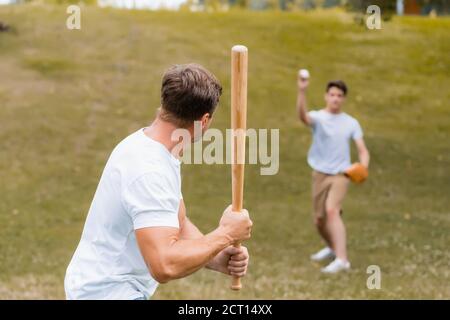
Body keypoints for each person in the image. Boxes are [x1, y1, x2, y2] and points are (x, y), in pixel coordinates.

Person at [65, 64, 252, 299]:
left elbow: (176, 221)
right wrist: (224, 233)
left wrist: (214, 255)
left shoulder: (150, 147)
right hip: (108, 293)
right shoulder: (149, 171)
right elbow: (164, 265)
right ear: (204, 121)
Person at [296, 75, 370, 273]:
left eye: (339, 95)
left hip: (341, 174)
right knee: (319, 220)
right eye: (332, 94)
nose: (335, 98)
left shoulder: (351, 123)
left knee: (332, 211)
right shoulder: (319, 118)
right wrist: (302, 91)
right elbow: (303, 116)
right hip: (320, 173)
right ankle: (332, 248)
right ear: (326, 96)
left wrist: (363, 167)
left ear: (343, 98)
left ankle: (342, 260)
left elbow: (362, 150)